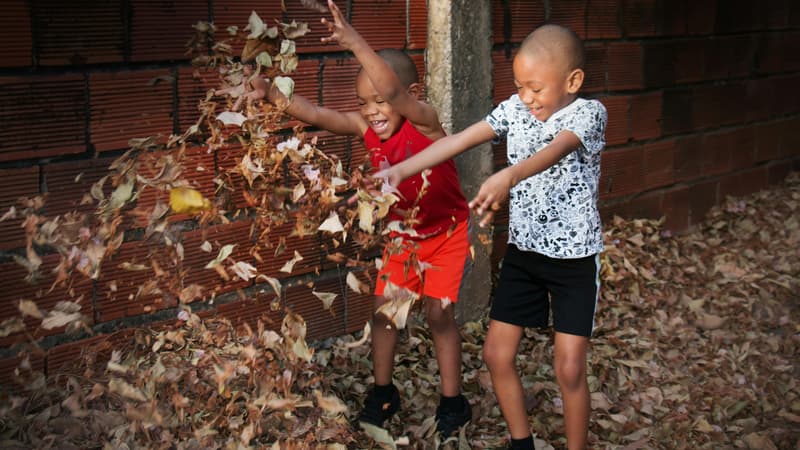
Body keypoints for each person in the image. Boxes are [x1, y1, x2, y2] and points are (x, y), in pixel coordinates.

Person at [228, 0, 473, 439]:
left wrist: (355, 41)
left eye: (381, 101)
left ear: (411, 96)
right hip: (404, 238)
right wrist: (272, 95)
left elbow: (394, 93)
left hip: (447, 234)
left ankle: (454, 402)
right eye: (365, 103)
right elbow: (319, 114)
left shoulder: (427, 125)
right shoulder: (365, 130)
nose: (373, 110)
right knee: (384, 315)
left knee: (438, 316)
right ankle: (383, 392)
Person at [374, 24, 607, 450]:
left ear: (572, 81)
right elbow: (460, 139)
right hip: (524, 257)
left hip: (573, 262)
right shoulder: (515, 110)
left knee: (570, 368)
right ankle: (522, 443)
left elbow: (554, 150)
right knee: (496, 356)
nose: (527, 97)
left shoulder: (588, 115)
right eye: (519, 86)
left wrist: (508, 176)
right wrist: (400, 170)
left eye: (536, 88)